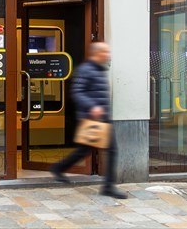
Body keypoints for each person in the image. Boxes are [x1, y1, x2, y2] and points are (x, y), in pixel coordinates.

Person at [49, 42, 128, 199]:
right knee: (105, 150)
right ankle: (108, 186)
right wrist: (92, 107)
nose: (108, 55)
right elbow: (77, 92)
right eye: (106, 52)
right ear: (97, 54)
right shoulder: (85, 70)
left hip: (101, 119)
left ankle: (59, 168)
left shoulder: (99, 70)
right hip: (92, 119)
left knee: (87, 150)